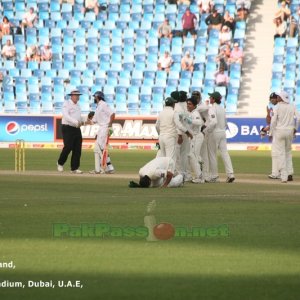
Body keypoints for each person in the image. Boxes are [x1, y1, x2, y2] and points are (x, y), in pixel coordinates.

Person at [203, 92, 235, 183]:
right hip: (222, 132)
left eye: (211, 97)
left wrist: (206, 131)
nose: (209, 98)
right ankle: (230, 174)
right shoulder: (222, 108)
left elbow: (213, 122)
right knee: (225, 153)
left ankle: (214, 176)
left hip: (214, 132)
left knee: (212, 154)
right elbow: (225, 122)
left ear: (213, 99)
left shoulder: (212, 109)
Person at [269, 91, 300, 183]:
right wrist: (296, 128)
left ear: (281, 98)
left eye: (278, 96)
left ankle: (284, 176)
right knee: (288, 152)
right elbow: (298, 118)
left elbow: (273, 121)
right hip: (290, 131)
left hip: (279, 131)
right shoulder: (292, 106)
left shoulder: (277, 107)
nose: (277, 98)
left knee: (280, 153)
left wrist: (271, 133)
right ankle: (290, 173)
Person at [156, 96, 193, 165]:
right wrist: (187, 132)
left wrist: (160, 134)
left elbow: (157, 126)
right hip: (170, 137)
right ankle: (170, 175)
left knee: (163, 158)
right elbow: (179, 125)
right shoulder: (173, 113)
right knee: (171, 158)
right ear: (173, 104)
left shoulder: (161, 113)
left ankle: (163, 174)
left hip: (161, 137)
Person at [57, 90, 87, 174]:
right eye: (76, 95)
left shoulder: (78, 105)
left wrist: (85, 120)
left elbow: (79, 118)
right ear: (72, 96)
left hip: (76, 128)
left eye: (78, 95)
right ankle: (60, 163)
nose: (78, 97)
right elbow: (66, 116)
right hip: (67, 127)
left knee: (77, 148)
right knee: (68, 146)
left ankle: (74, 168)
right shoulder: (66, 103)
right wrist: (76, 122)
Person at [88, 91, 115, 174]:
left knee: (101, 148)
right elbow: (94, 121)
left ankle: (105, 168)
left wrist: (109, 126)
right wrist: (86, 121)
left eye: (94, 97)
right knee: (99, 149)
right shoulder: (98, 107)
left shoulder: (103, 104)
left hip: (105, 128)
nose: (94, 98)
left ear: (97, 97)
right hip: (101, 129)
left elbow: (112, 114)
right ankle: (101, 168)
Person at [186, 97, 205, 183]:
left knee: (192, 156)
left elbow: (199, 122)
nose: (188, 105)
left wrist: (188, 119)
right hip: (194, 137)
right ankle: (199, 175)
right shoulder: (192, 113)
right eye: (187, 104)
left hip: (197, 136)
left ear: (194, 105)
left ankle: (199, 177)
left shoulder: (195, 113)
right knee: (193, 156)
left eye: (190, 104)